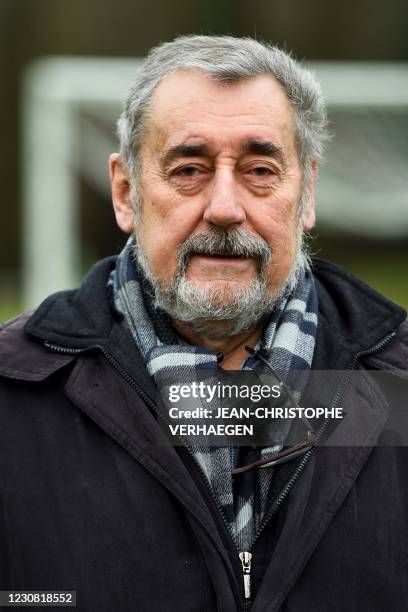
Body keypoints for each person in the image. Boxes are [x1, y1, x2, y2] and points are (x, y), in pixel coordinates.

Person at [1, 35, 407, 612]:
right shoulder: (13, 393)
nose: (223, 206)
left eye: (260, 169)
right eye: (189, 169)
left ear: (308, 190)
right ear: (126, 193)